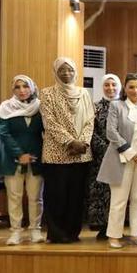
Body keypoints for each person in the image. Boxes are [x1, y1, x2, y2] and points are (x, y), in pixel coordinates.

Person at [98, 75, 137, 248]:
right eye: (131, 87)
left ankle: (136, 234)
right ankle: (114, 235)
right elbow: (111, 132)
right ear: (125, 88)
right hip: (121, 159)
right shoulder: (116, 106)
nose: (135, 90)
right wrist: (130, 152)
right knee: (119, 200)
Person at [39, 57, 94, 243]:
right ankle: (56, 233)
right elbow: (49, 122)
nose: (66, 73)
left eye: (70, 69)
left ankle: (72, 232)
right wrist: (70, 142)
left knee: (76, 196)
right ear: (56, 72)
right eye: (61, 70)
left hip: (81, 154)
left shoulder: (84, 93)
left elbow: (90, 120)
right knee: (57, 195)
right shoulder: (47, 93)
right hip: (57, 153)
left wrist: (83, 142)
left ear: (75, 71)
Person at [0, 75, 45, 245]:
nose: (22, 90)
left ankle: (35, 230)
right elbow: (4, 133)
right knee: (14, 197)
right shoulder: (6, 107)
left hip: (36, 158)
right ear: (13, 89)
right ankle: (16, 231)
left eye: (25, 86)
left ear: (32, 88)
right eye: (17, 87)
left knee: (36, 197)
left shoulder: (40, 106)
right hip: (12, 160)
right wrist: (19, 154)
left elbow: (46, 131)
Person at [86, 73, 121, 239]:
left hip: (122, 154)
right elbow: (90, 131)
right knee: (101, 191)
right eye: (107, 85)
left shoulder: (125, 105)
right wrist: (106, 149)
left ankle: (118, 226)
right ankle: (103, 226)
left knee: (119, 192)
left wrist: (119, 148)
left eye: (114, 85)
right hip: (101, 156)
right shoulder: (95, 107)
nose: (110, 88)